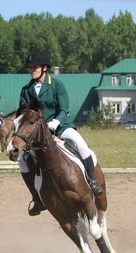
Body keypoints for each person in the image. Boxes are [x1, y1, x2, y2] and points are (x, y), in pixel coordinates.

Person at [18, 51, 103, 216]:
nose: (31, 70)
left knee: (82, 146)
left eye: (34, 67)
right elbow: (24, 114)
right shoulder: (26, 90)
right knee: (22, 161)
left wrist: (56, 122)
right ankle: (36, 198)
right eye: (29, 67)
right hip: (37, 134)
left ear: (44, 68)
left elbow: (64, 109)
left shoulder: (57, 85)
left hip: (61, 127)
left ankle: (92, 182)